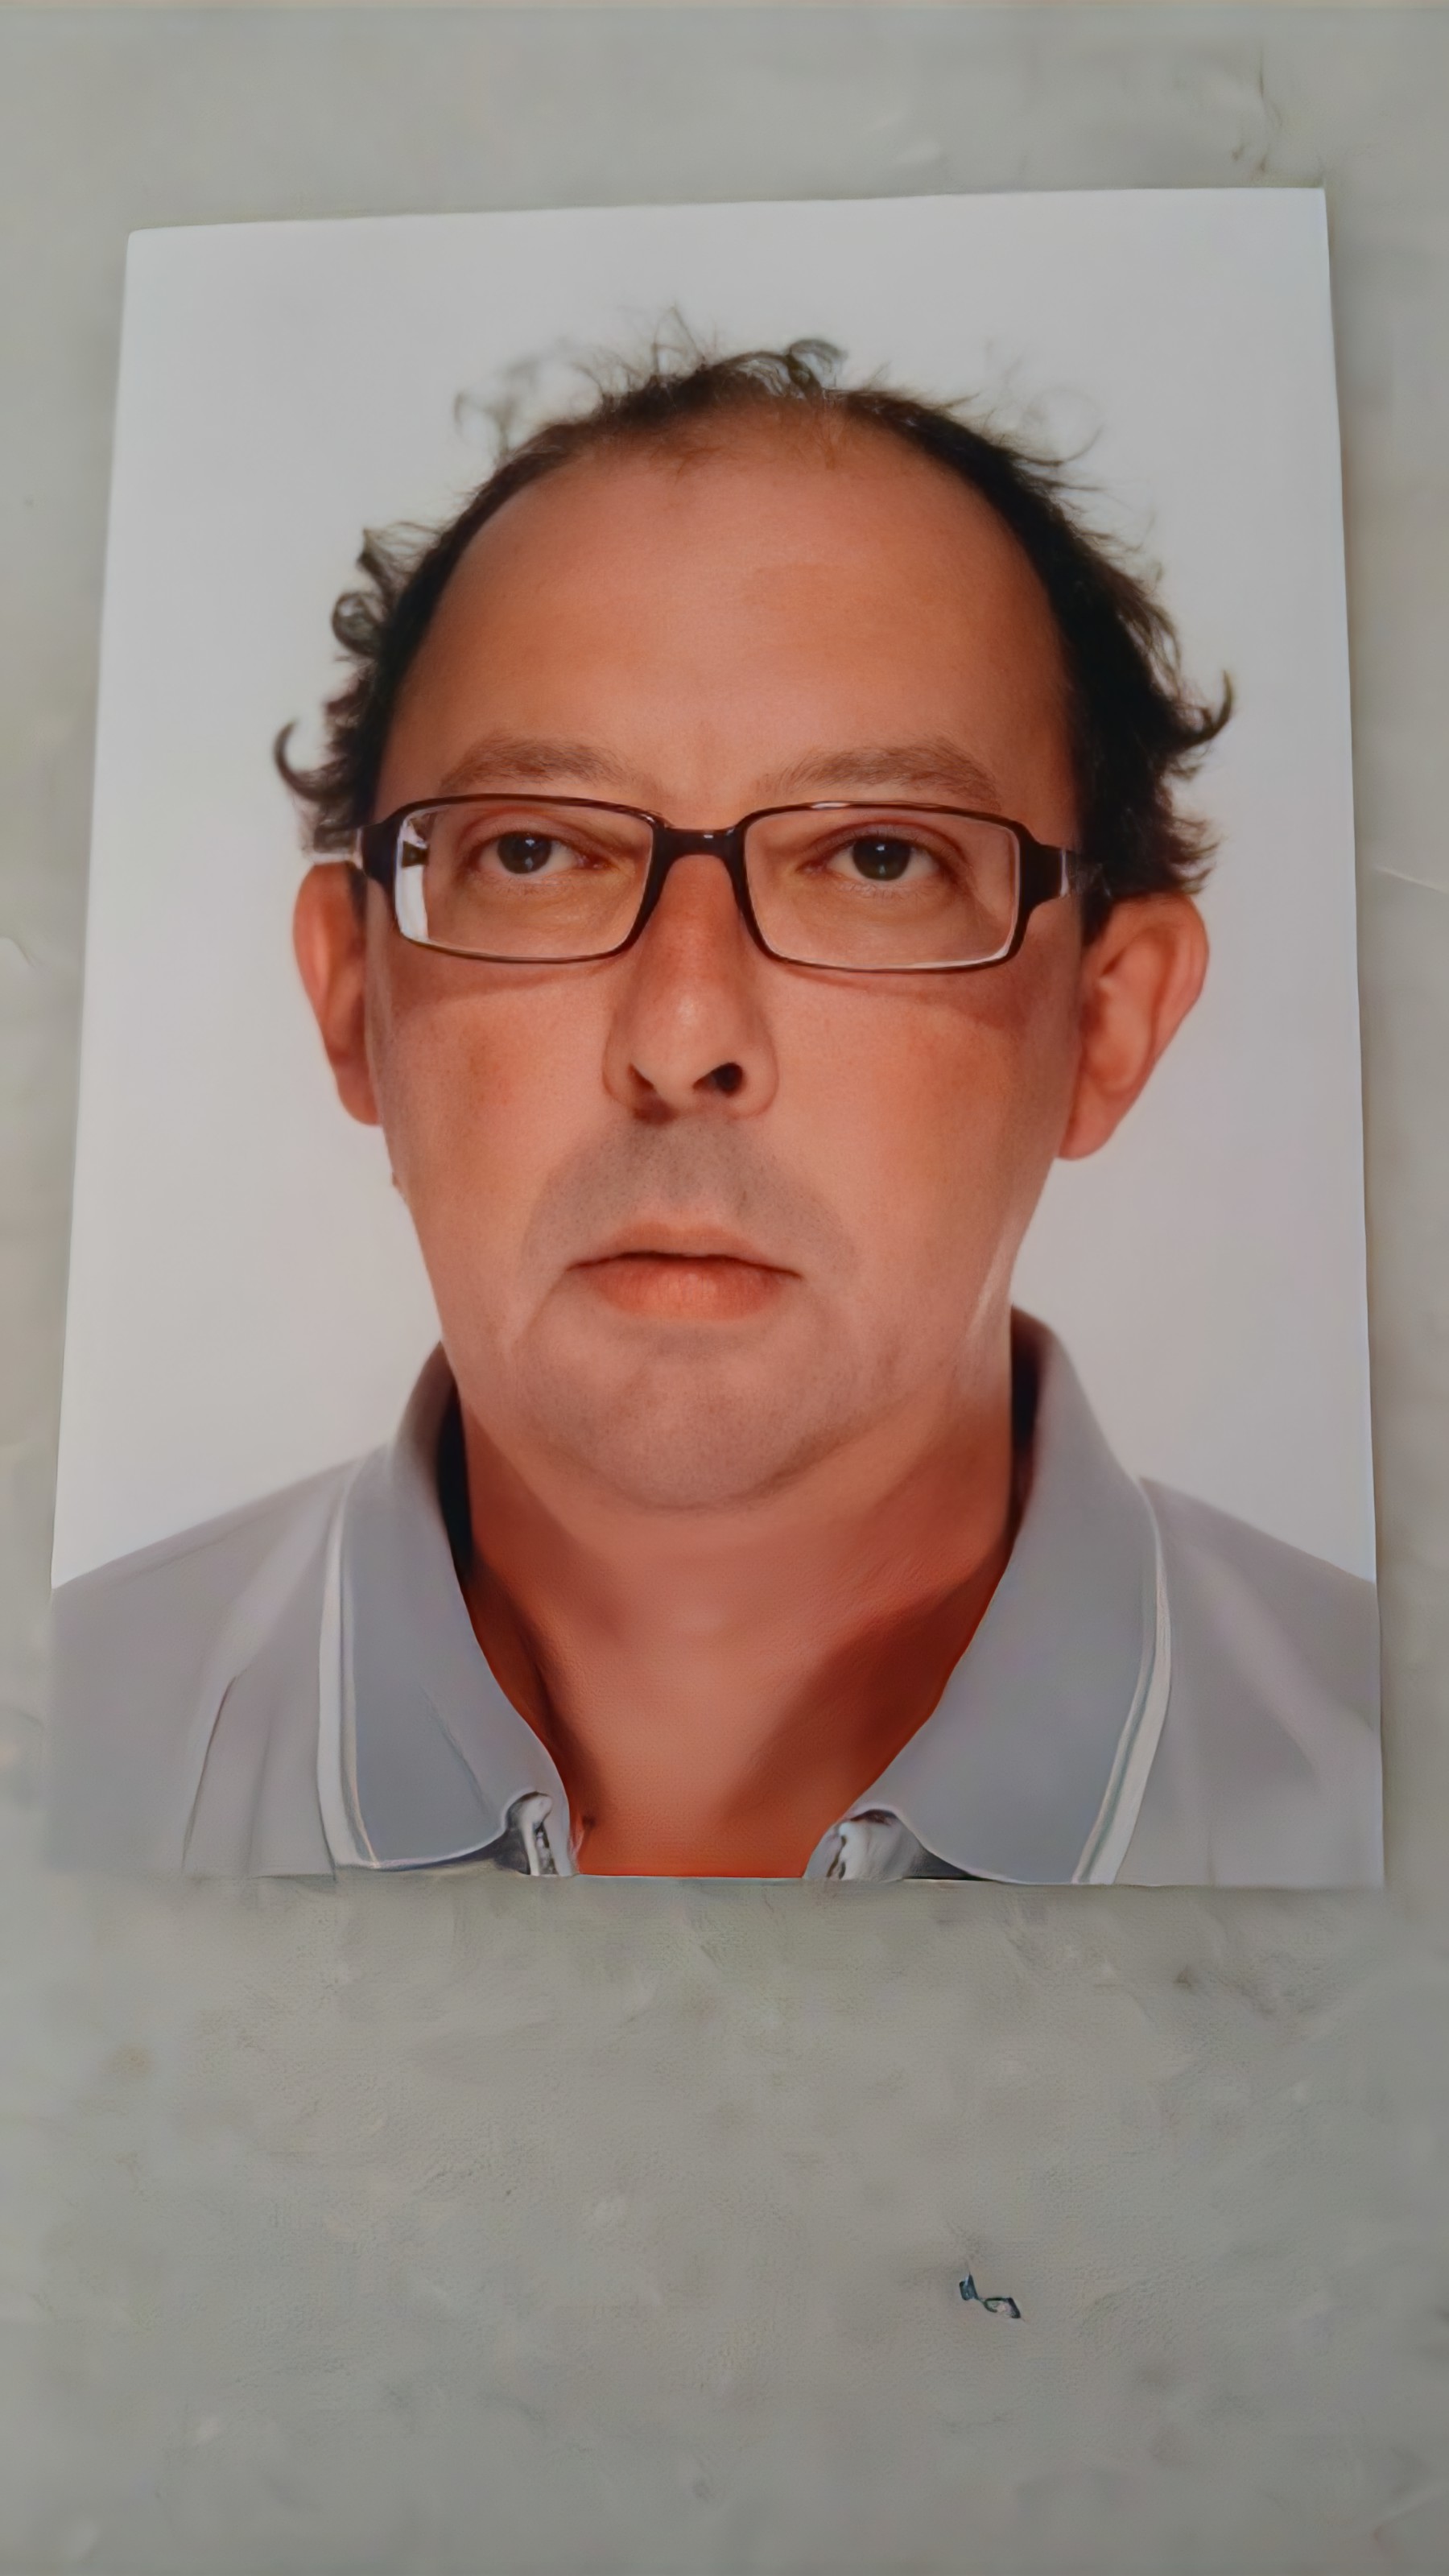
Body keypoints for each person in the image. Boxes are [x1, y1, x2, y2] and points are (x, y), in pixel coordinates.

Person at [47, 342, 1381, 1884]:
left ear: (1106, 1022)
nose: (684, 1036)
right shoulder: (58, 1764)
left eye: (880, 857)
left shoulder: (1388, 1784)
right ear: (355, 1001)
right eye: (536, 853)